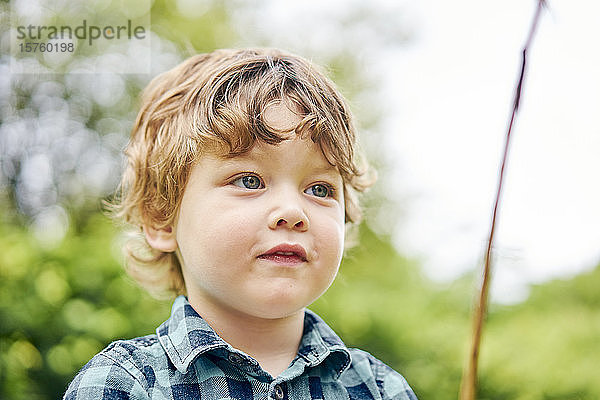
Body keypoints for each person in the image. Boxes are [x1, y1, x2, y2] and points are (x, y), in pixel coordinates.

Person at [63, 48, 417, 400]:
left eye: (320, 188)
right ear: (161, 218)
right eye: (249, 180)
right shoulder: (121, 385)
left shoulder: (381, 389)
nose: (293, 212)